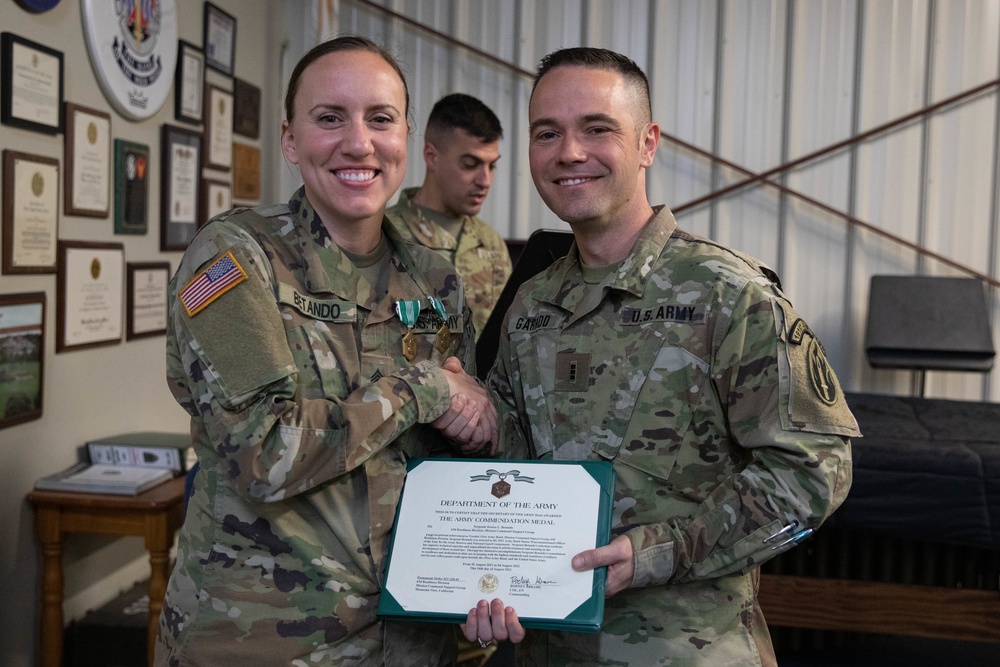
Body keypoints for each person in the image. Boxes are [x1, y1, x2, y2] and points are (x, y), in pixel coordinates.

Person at [460, 47, 858, 666]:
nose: (569, 152)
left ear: (647, 143)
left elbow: (815, 473)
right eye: (548, 133)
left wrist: (661, 551)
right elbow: (512, 467)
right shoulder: (532, 304)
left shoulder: (727, 294)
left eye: (597, 128)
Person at [155, 36, 496, 666]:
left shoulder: (435, 278)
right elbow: (265, 453)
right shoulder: (232, 260)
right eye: (330, 118)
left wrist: (482, 430)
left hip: (412, 640)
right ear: (289, 139)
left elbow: (457, 444)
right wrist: (423, 389)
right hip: (264, 640)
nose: (359, 143)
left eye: (380, 118)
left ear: (406, 138)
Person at [386, 93, 512, 340]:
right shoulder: (384, 234)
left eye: (491, 166)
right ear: (431, 156)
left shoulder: (491, 243)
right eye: (470, 164)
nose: (485, 181)